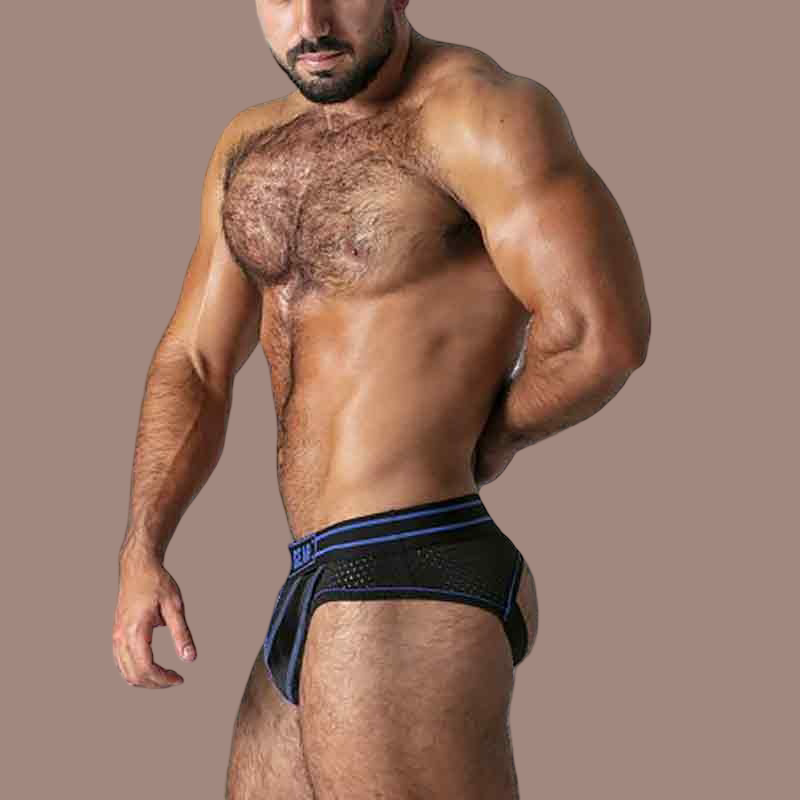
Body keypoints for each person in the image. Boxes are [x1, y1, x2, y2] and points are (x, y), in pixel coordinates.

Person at [112, 1, 651, 797]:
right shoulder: (250, 145)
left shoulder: (480, 112)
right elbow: (194, 359)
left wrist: (493, 438)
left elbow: (599, 336)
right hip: (316, 575)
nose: (311, 21)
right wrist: (143, 546)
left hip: (413, 556)